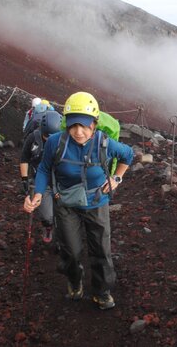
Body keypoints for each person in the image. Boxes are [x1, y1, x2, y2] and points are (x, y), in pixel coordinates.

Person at [23, 92, 134, 310]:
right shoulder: (56, 141)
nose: (79, 132)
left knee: (101, 250)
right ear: (66, 124)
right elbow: (45, 168)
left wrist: (116, 178)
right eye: (73, 126)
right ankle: (75, 281)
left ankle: (102, 291)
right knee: (70, 251)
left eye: (84, 126)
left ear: (94, 124)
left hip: (96, 202)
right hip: (66, 204)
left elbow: (128, 155)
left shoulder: (104, 142)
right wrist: (37, 193)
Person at [20, 110, 63, 243]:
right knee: (47, 215)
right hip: (41, 181)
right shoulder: (34, 138)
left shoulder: (65, 140)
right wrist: (25, 182)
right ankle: (48, 226)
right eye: (46, 137)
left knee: (64, 214)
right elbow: (24, 158)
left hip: (61, 181)